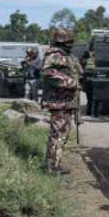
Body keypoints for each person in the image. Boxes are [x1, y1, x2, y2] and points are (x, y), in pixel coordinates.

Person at [41, 29, 83, 176]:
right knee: (57, 134)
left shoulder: (67, 56)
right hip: (58, 102)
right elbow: (47, 72)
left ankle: (55, 164)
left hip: (66, 102)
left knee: (63, 134)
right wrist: (69, 82)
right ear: (62, 42)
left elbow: (76, 71)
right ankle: (51, 167)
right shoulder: (54, 55)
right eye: (69, 42)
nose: (71, 44)